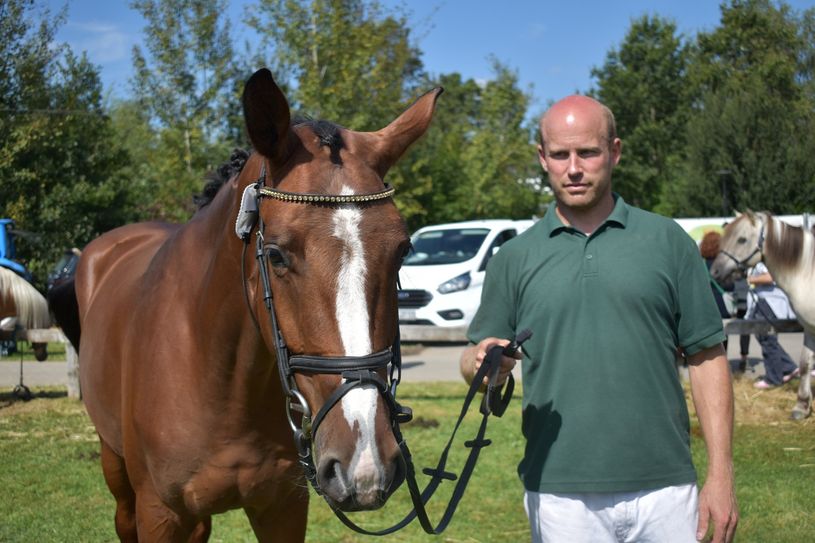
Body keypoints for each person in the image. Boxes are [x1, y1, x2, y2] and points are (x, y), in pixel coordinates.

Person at [460, 95, 738, 543]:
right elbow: (476, 356)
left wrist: (721, 475)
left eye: (587, 152)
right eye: (559, 154)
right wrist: (483, 364)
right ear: (542, 158)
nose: (573, 168)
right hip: (559, 494)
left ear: (614, 151)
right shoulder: (514, 258)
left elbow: (708, 359)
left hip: (666, 488)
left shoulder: (667, 241)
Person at [699, 231, 751, 371]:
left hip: (707, 304)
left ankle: (714, 364)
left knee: (713, 336)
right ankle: (734, 361)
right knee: (727, 333)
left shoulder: (700, 263)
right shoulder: (722, 264)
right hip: (723, 304)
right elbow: (729, 285)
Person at [746, 262, 800, 388]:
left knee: (767, 340)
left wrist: (751, 279)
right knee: (764, 338)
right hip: (762, 301)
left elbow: (770, 277)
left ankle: (774, 378)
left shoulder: (765, 260)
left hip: (769, 302)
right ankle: (789, 367)